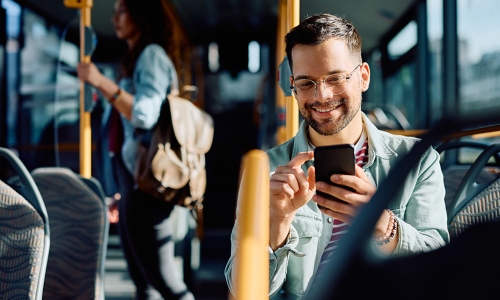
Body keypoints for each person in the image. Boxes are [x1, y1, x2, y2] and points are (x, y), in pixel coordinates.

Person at [225, 14, 449, 299]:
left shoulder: (418, 160)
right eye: (306, 83)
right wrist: (277, 222)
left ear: (363, 77)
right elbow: (242, 292)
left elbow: (439, 267)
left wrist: (381, 225)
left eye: (335, 78)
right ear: (293, 86)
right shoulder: (265, 170)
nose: (322, 95)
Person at [77, 0, 194, 299]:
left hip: (147, 186)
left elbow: (144, 114)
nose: (115, 17)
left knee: (164, 281)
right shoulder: (134, 56)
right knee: (144, 280)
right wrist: (119, 190)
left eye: (123, 10)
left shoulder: (151, 55)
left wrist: (100, 82)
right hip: (133, 181)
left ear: (142, 16)